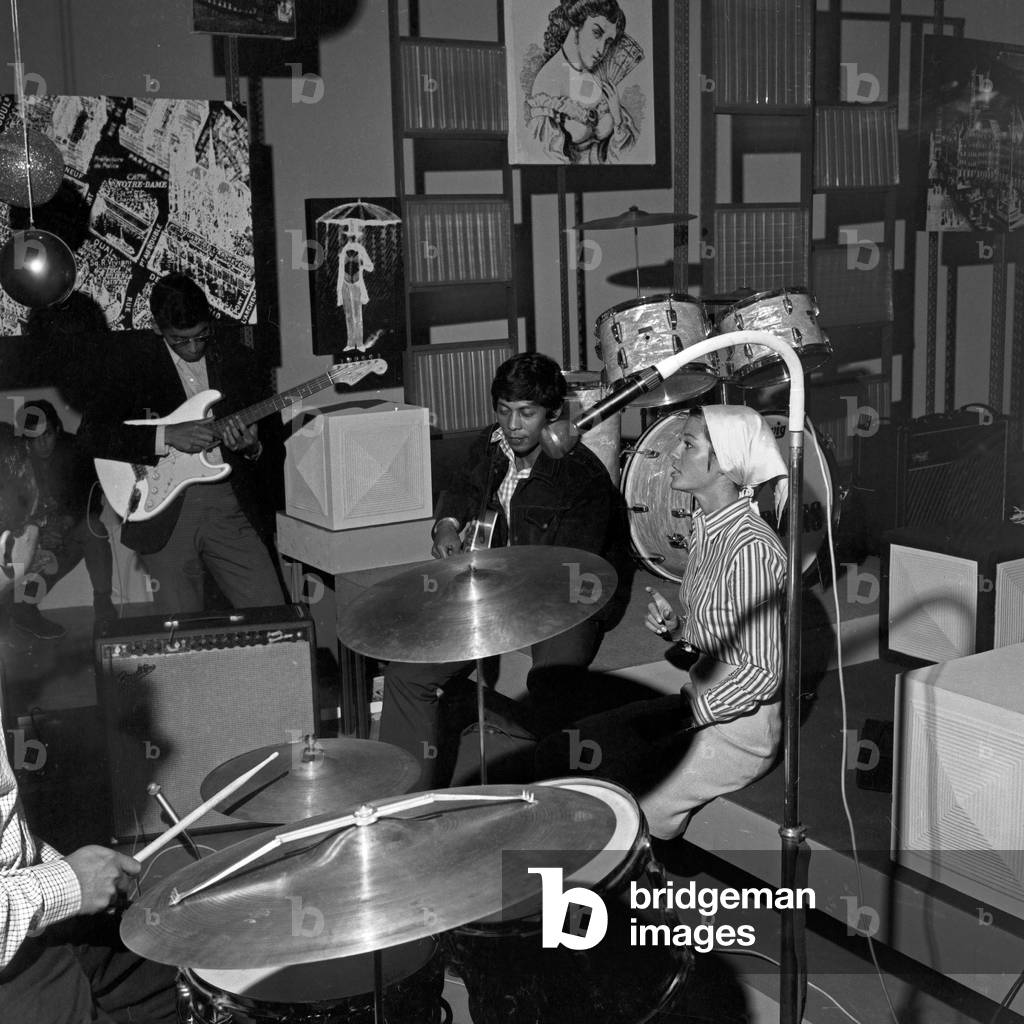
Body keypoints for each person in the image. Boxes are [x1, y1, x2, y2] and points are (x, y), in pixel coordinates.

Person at [537, 405, 788, 839]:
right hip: (699, 705)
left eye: (689, 444)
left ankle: (646, 896)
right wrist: (679, 630)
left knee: (626, 802)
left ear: (725, 462)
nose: (674, 453)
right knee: (582, 743)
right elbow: (724, 631)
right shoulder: (706, 526)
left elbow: (763, 672)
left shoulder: (752, 549)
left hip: (738, 735)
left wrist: (688, 715)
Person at [379, 352, 624, 788]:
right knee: (405, 672)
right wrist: (446, 525)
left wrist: (500, 592)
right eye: (505, 410)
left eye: (527, 414)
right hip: (497, 585)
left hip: (567, 595)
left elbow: (574, 570)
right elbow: (462, 487)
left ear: (553, 413)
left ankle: (559, 806)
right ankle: (402, 798)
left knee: (552, 690)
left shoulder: (581, 475)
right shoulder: (492, 445)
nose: (513, 425)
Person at [0, 425, 176, 1022]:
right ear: (7, 550)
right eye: (35, 528)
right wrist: (67, 887)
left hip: (24, 927)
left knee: (179, 960)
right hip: (9, 967)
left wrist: (58, 867)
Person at [77, 272, 284, 615]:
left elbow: (272, 445)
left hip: (229, 501)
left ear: (210, 322)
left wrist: (252, 448)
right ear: (158, 329)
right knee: (181, 630)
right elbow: (90, 435)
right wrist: (166, 436)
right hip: (163, 507)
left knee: (273, 613)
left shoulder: (242, 360)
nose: (192, 347)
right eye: (179, 340)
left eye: (201, 336)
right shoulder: (130, 365)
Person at [6, 400, 115, 641]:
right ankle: (23, 607)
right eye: (34, 438)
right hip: (34, 537)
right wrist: (38, 534)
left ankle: (103, 602)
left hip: (69, 530)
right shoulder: (18, 458)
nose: (41, 444)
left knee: (93, 527)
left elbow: (92, 497)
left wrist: (65, 522)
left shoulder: (76, 450)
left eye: (46, 435)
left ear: (57, 430)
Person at [526, 0, 640, 164]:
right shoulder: (547, 84)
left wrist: (618, 118)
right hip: (566, 183)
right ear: (576, 24)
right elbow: (546, 158)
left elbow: (626, 155)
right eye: (597, 33)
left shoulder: (596, 78)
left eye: (608, 42)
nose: (602, 50)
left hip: (606, 184)